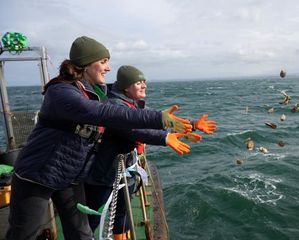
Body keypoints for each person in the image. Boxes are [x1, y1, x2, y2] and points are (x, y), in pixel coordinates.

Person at [6, 36, 193, 240]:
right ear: (86, 64)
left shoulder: (96, 92)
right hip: (38, 174)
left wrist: (180, 125)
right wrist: (160, 119)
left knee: (81, 232)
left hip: (69, 174)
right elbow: (108, 114)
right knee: (23, 233)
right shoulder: (62, 92)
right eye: (103, 62)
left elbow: (125, 109)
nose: (108, 68)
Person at [84, 65, 217, 239]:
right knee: (92, 219)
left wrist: (192, 124)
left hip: (125, 170)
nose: (144, 85)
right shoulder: (114, 105)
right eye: (138, 82)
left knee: (122, 214)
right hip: (104, 174)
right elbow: (134, 130)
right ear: (126, 87)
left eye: (144, 82)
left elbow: (153, 120)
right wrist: (165, 138)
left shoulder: (133, 104)